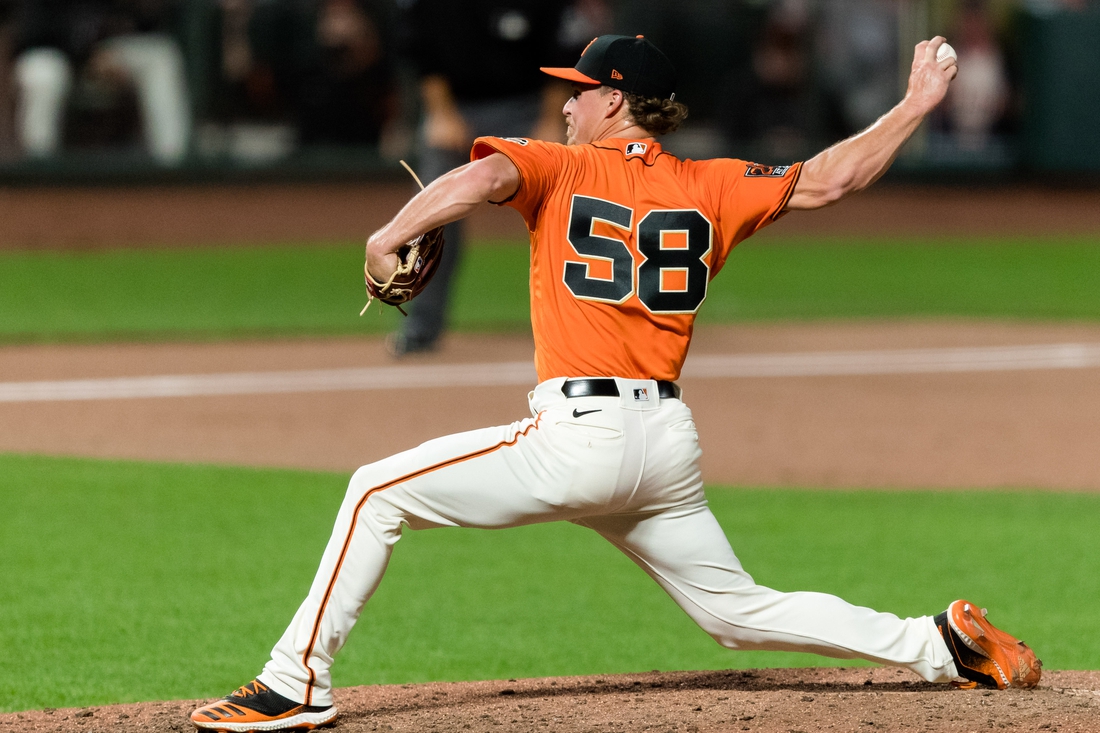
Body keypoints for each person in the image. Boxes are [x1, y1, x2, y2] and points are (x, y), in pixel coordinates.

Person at [190, 34, 1041, 732]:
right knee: (734, 611)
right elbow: (833, 177)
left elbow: (482, 176)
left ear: (614, 101)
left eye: (579, 89)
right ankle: (942, 645)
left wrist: (389, 231)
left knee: (375, 489)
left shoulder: (561, 169)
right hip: (665, 447)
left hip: (579, 438)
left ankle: (294, 680)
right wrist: (916, 105)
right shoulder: (712, 184)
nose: (566, 102)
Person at [386, 0, 582, 356]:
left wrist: (552, 120)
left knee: (574, 210)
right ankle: (421, 328)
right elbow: (421, 52)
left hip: (529, 108)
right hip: (455, 107)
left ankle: (588, 327)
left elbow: (562, 51)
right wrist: (441, 113)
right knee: (430, 216)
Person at [12, 0, 191, 165]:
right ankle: (40, 167)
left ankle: (172, 166)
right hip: (51, 54)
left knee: (160, 54)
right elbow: (32, 34)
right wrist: (86, 56)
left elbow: (141, 22)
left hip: (106, 53)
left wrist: (109, 47)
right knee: (43, 76)